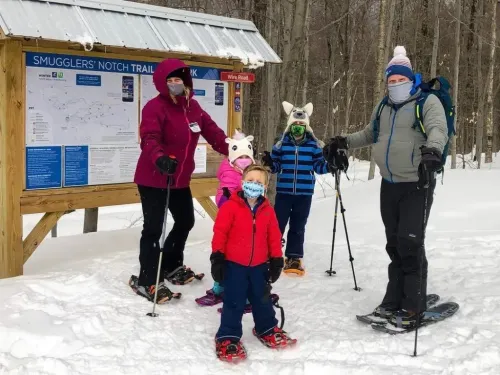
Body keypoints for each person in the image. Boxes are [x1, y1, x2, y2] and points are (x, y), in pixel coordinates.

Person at [324, 46, 448, 328]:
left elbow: (438, 129)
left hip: (418, 182)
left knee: (410, 242)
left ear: (410, 79)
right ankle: (394, 299)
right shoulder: (384, 106)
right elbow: (371, 133)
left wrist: (433, 150)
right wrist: (344, 141)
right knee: (394, 244)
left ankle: (412, 305)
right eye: (390, 82)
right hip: (389, 184)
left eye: (399, 80)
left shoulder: (426, 102)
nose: (395, 85)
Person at [131, 58, 229, 303]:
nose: (175, 84)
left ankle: (171, 265)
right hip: (155, 177)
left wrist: (237, 150)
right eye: (170, 80)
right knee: (154, 229)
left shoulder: (193, 108)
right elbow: (149, 138)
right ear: (162, 84)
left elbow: (214, 133)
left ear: (186, 82)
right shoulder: (155, 107)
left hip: (179, 179)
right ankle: (148, 280)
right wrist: (160, 158)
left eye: (179, 80)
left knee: (185, 220)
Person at [210, 165, 296, 361]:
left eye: (259, 182)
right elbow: (220, 233)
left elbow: (274, 237)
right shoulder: (230, 207)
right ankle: (228, 336)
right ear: (242, 182)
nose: (253, 185)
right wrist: (217, 257)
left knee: (262, 298)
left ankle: (266, 327)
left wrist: (276, 260)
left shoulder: (268, 211)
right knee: (234, 300)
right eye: (250, 181)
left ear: (265, 187)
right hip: (234, 265)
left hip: (259, 266)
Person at [261, 101, 329, 276]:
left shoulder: (313, 146)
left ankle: (294, 257)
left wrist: (332, 164)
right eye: (295, 126)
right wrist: (269, 163)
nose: (297, 129)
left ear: (306, 128)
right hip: (284, 193)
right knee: (278, 224)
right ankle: (272, 254)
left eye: (301, 126)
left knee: (298, 226)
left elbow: (319, 167)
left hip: (304, 194)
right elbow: (275, 167)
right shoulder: (281, 145)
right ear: (289, 127)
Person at [210, 129, 256, 299]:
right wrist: (231, 202)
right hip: (231, 221)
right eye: (240, 157)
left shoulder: (253, 172)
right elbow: (223, 195)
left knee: (245, 254)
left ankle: (244, 285)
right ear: (232, 158)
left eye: (247, 157)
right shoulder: (229, 173)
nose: (243, 161)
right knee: (227, 254)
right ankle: (221, 285)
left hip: (248, 221)